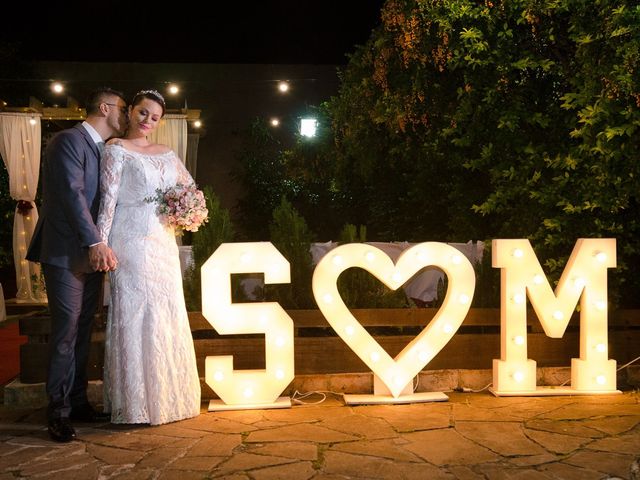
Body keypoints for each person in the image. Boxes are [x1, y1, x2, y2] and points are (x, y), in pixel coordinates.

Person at [27, 88, 127, 442]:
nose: (126, 115)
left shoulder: (107, 150)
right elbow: (72, 195)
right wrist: (96, 242)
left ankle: (79, 401)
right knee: (66, 330)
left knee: (84, 327)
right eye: (123, 108)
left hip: (90, 255)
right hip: (66, 252)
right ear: (105, 108)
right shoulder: (66, 141)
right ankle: (57, 411)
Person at [96, 89, 201, 425]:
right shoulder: (115, 150)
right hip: (129, 239)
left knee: (167, 310)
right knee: (135, 311)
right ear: (131, 112)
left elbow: (190, 189)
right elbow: (107, 199)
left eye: (154, 117)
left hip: (162, 240)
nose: (147, 121)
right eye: (143, 113)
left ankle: (173, 400)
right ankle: (137, 404)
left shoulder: (168, 154)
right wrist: (100, 243)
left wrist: (187, 211)